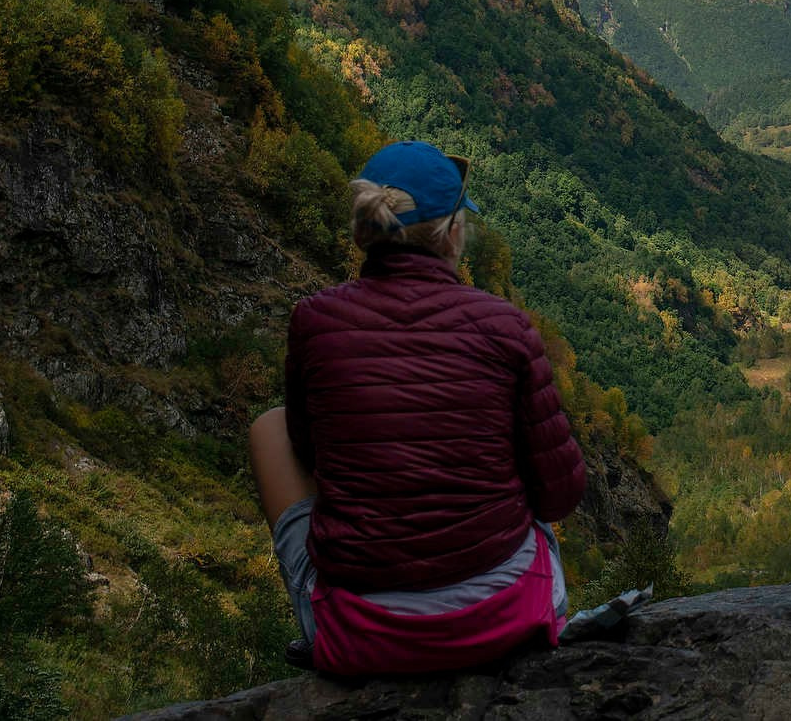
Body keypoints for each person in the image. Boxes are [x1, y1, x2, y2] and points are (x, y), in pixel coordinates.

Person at [247, 140, 587, 675]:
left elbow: (310, 452)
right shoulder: (505, 326)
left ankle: (333, 618)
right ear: (452, 234)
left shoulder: (315, 323)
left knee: (269, 430)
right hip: (504, 619)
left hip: (363, 637)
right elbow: (561, 495)